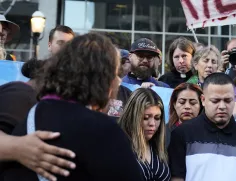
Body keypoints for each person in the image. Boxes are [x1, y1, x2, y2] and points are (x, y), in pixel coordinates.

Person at [2, 33, 144, 181]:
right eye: (116, 74)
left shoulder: (29, 117)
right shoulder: (102, 130)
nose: (118, 81)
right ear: (104, 79)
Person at [168, 73, 236, 181]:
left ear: (234, 99)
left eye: (227, 100)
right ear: (203, 100)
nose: (222, 106)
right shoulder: (182, 134)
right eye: (215, 101)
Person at [118, 88, 170, 181]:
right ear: (132, 116)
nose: (152, 123)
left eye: (157, 118)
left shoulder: (159, 145)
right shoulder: (118, 145)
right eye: (146, 118)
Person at [187, 45, 236, 118]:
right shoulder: (190, 86)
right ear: (196, 65)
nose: (210, 65)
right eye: (206, 60)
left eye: (213, 62)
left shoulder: (226, 82)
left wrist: (218, 121)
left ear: (218, 66)